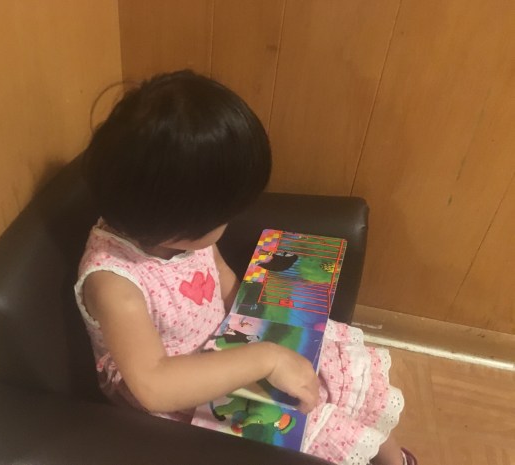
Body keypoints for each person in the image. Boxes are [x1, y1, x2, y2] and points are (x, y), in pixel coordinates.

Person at [74, 70, 414, 465]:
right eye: (223, 216)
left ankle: (395, 460)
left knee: (332, 375)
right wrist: (265, 358)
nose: (229, 223)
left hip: (229, 347)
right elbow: (154, 386)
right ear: (179, 222)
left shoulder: (176, 230)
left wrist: (266, 326)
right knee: (309, 418)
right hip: (185, 398)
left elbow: (221, 278)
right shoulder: (114, 283)